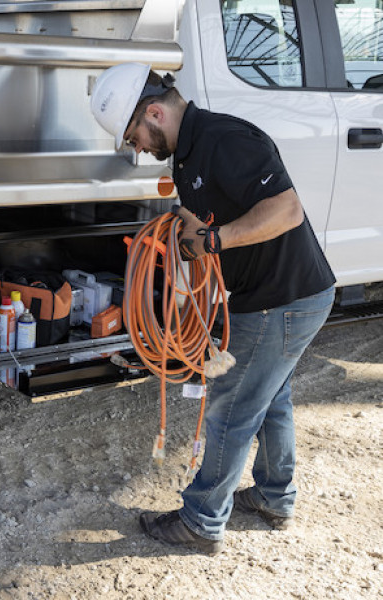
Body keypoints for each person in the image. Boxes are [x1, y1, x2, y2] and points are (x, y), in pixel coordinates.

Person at [90, 63, 336, 554]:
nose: (135, 147)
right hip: (278, 297)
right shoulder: (187, 154)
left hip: (281, 300)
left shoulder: (227, 140)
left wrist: (214, 240)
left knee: (231, 408)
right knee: (271, 397)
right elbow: (202, 214)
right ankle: (274, 496)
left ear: (155, 112)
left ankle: (203, 520)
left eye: (133, 135)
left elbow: (286, 211)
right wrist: (187, 231)